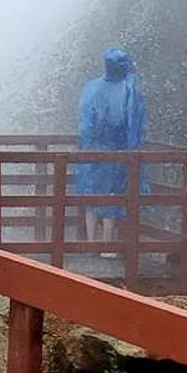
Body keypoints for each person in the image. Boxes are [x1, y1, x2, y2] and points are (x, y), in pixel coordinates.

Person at [74, 47, 149, 241]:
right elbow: (133, 121)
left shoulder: (92, 87)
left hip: (92, 149)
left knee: (91, 195)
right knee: (112, 198)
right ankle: (107, 246)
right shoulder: (129, 88)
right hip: (118, 151)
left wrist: (87, 143)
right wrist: (132, 146)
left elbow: (84, 121)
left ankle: (91, 243)